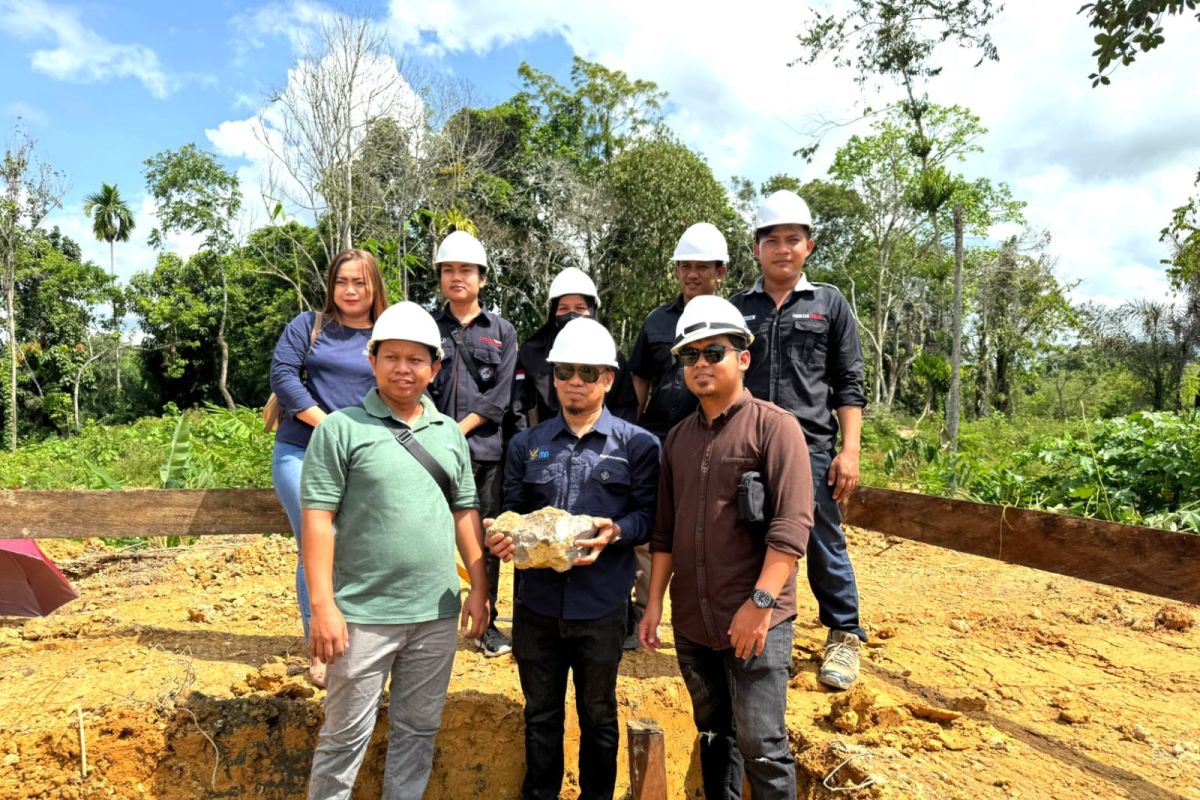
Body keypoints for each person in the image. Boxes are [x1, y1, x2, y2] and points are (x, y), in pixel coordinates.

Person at [301, 301, 490, 800]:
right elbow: (317, 521)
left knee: (418, 730)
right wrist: (323, 606)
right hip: (363, 614)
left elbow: (465, 511)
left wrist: (480, 586)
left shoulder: (449, 434)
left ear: (435, 367)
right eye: (392, 357)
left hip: (435, 613)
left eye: (416, 359)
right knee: (343, 738)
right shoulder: (340, 430)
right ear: (372, 359)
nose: (403, 369)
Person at [640, 295, 813, 799]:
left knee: (762, 743)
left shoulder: (775, 428)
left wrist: (759, 605)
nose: (700, 364)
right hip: (695, 620)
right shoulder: (676, 440)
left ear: (743, 357)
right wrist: (653, 604)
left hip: (756, 619)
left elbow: (792, 527)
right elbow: (665, 532)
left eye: (712, 352)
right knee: (715, 735)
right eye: (689, 356)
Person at [488, 317, 660, 800]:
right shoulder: (527, 444)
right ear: (552, 378)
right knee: (540, 713)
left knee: (598, 714)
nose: (575, 383)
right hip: (537, 607)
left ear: (608, 378)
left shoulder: (639, 446)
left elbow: (649, 517)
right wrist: (503, 537)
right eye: (565, 372)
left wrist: (617, 531)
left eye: (588, 372)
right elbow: (514, 513)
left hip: (601, 606)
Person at [729, 189, 868, 690]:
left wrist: (848, 450)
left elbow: (849, 382)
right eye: (772, 240)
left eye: (793, 239)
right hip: (748, 445)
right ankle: (768, 634)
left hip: (809, 448)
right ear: (756, 249)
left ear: (809, 245)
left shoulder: (829, 304)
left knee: (819, 536)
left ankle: (844, 633)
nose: (782, 249)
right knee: (751, 539)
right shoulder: (736, 309)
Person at [269, 248, 388, 688]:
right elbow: (283, 376)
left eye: (360, 281)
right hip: (302, 448)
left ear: (375, 286)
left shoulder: (387, 332)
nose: (351, 290)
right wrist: (330, 425)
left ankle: (363, 640)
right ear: (330, 286)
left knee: (362, 546)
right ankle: (320, 649)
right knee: (318, 538)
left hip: (366, 456)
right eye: (342, 281)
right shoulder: (309, 326)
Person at [624, 222, 729, 649]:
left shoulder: (729, 318)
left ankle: (705, 614)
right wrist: (631, 434)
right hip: (655, 438)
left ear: (720, 271)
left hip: (708, 438)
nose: (691, 274)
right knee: (651, 530)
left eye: (702, 266)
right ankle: (641, 614)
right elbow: (639, 383)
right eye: (684, 265)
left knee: (707, 523)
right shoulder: (656, 321)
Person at [428, 231, 518, 658]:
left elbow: (499, 396)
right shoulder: (424, 326)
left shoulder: (502, 331)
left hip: (483, 453)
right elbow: (414, 382)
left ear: (482, 279)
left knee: (485, 539)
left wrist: (456, 430)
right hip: (427, 452)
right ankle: (430, 624)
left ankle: (487, 623)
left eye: (465, 270)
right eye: (448, 270)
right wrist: (436, 433)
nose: (456, 277)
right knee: (427, 535)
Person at [511, 267, 638, 432]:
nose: (571, 315)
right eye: (563, 309)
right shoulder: (531, 354)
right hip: (542, 448)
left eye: (579, 308)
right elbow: (518, 410)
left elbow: (625, 409)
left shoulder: (610, 355)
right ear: (553, 313)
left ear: (592, 311)